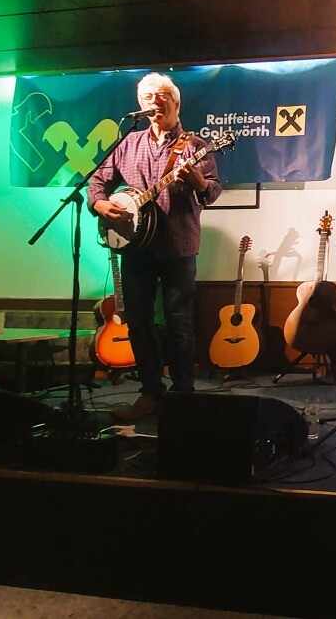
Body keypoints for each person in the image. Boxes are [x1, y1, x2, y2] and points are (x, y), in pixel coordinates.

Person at [89, 72, 223, 420]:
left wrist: (197, 181)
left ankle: (183, 395)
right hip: (136, 246)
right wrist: (101, 204)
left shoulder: (194, 146)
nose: (154, 102)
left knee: (179, 322)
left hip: (178, 244)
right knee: (138, 321)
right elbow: (97, 182)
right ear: (140, 105)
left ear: (176, 103)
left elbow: (212, 190)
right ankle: (150, 392)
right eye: (148, 97)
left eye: (162, 96)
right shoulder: (128, 143)